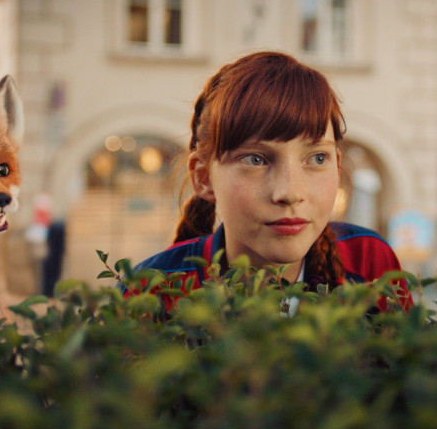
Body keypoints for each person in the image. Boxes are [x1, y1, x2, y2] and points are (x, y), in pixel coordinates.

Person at [132, 51, 412, 312]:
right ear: (204, 178)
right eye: (255, 159)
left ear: (337, 166)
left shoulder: (370, 262)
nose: (290, 193)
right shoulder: (151, 294)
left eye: (316, 158)